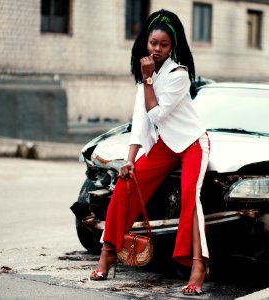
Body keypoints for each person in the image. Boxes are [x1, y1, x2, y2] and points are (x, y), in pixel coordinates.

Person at [90, 9, 210, 296]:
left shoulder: (178, 75)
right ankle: (107, 254)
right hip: (163, 146)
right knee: (125, 184)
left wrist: (148, 80)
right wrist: (129, 161)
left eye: (163, 45)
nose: (156, 49)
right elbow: (141, 122)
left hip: (192, 142)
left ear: (172, 47)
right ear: (146, 42)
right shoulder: (143, 78)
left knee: (190, 197)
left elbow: (156, 114)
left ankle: (198, 266)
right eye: (153, 43)